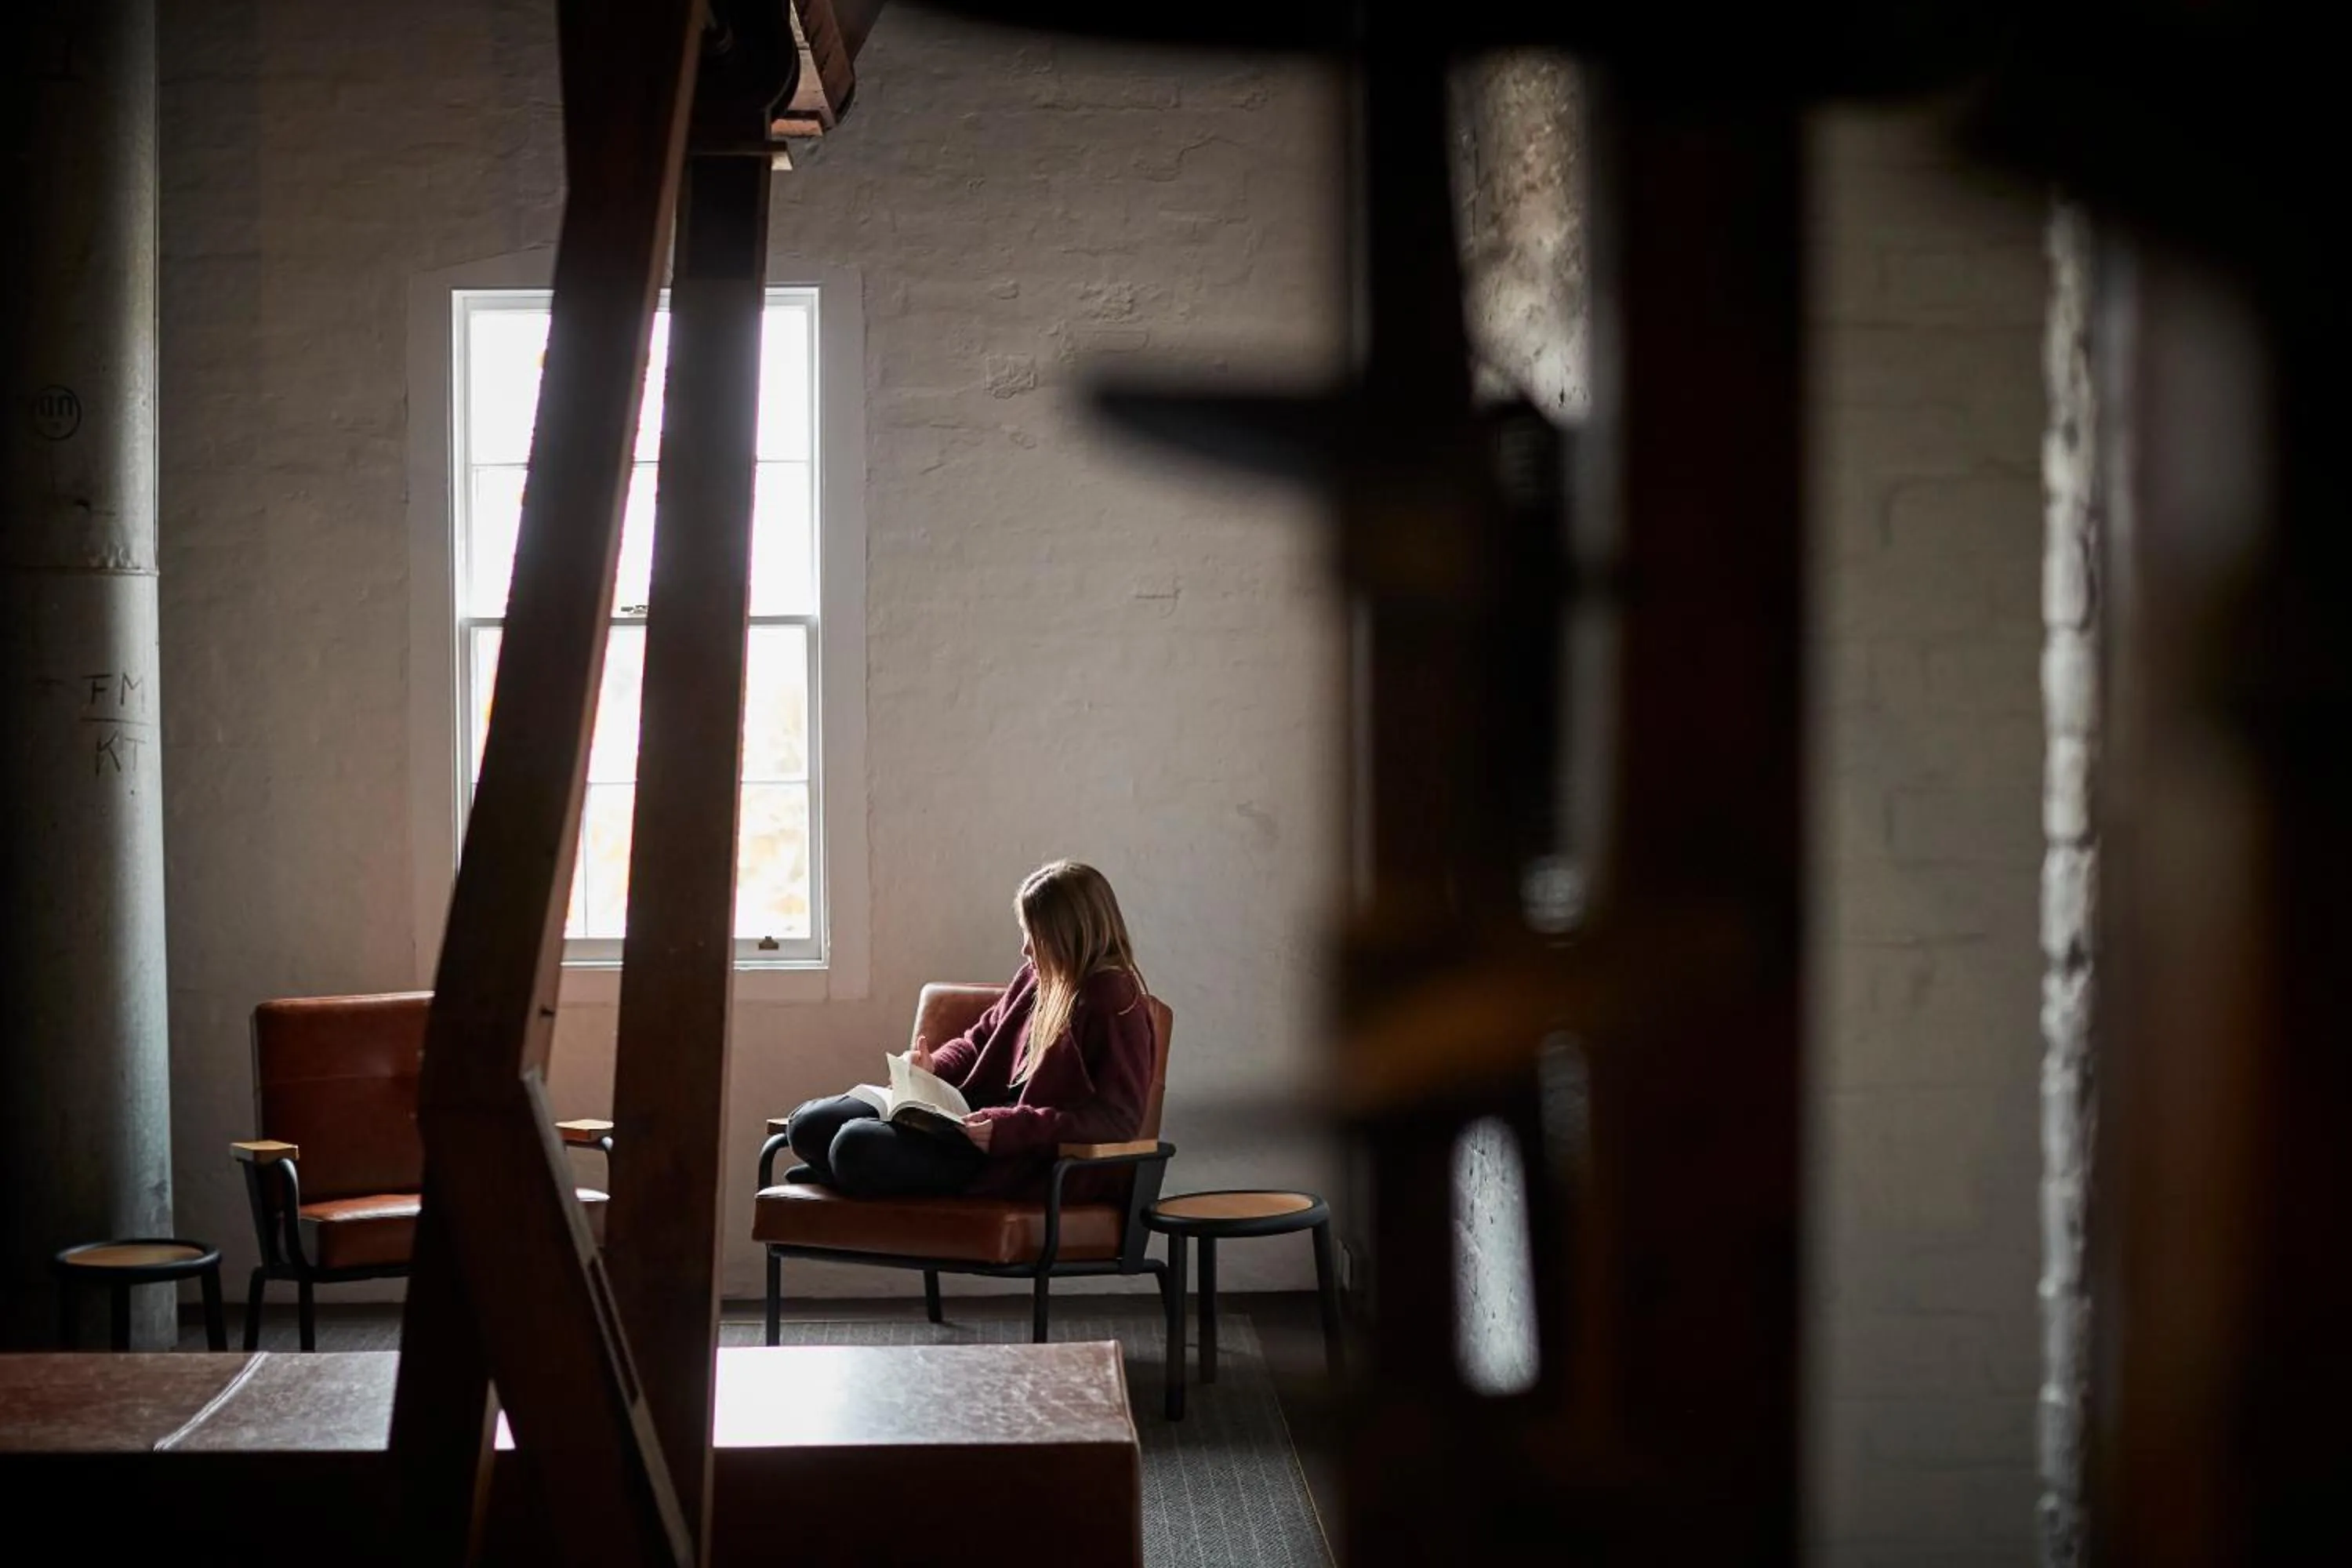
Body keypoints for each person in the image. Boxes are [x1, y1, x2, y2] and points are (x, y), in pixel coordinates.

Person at [783, 860, 1158, 1201]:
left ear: (1070, 935)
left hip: (1002, 1156)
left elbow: (1117, 1120)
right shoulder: (1036, 977)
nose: (1026, 950)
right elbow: (977, 1041)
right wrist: (933, 1067)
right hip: (958, 1119)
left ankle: (842, 1171)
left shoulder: (1112, 1001)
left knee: (853, 1145)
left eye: (1036, 936)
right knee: (807, 1124)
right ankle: (846, 1173)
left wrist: (1012, 1128)